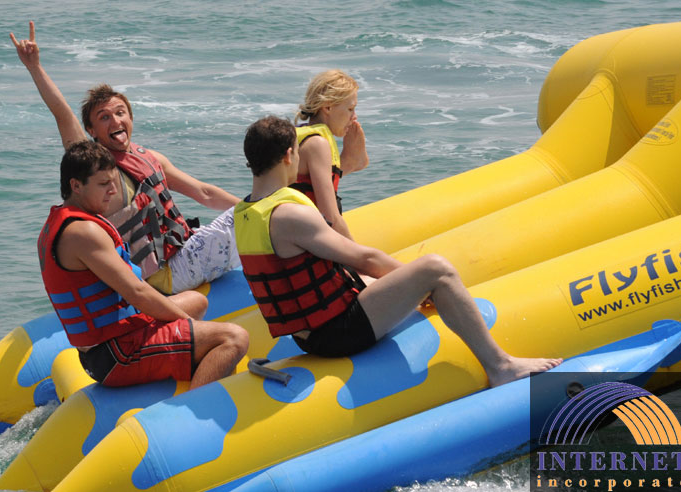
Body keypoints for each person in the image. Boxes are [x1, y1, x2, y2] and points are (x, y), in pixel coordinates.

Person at [233, 116, 561, 387]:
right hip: (338, 333)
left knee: (384, 279)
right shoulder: (291, 214)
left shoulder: (247, 214)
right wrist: (415, 280)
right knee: (436, 269)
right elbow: (364, 259)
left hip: (309, 336)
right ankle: (501, 366)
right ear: (289, 156)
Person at [12, 21, 240, 294]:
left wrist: (254, 206)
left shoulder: (149, 157)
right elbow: (63, 115)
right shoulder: (99, 167)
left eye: (120, 113)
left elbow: (204, 193)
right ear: (91, 131)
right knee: (261, 222)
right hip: (165, 275)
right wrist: (34, 67)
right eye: (104, 117)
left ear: (131, 118)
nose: (115, 120)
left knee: (252, 214)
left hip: (184, 253)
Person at [40, 140, 248, 389]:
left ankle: (192, 360)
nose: (113, 192)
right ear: (76, 186)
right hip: (115, 354)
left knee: (197, 301)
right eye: (104, 184)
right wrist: (190, 325)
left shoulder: (60, 221)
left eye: (113, 182)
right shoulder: (82, 232)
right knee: (234, 338)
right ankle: (193, 409)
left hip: (117, 336)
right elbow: (137, 292)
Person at [292, 70, 368, 240]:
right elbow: (330, 217)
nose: (354, 117)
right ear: (327, 107)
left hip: (292, 238)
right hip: (305, 243)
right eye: (350, 109)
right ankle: (349, 162)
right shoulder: (317, 144)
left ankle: (347, 163)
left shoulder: (303, 135)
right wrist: (359, 257)